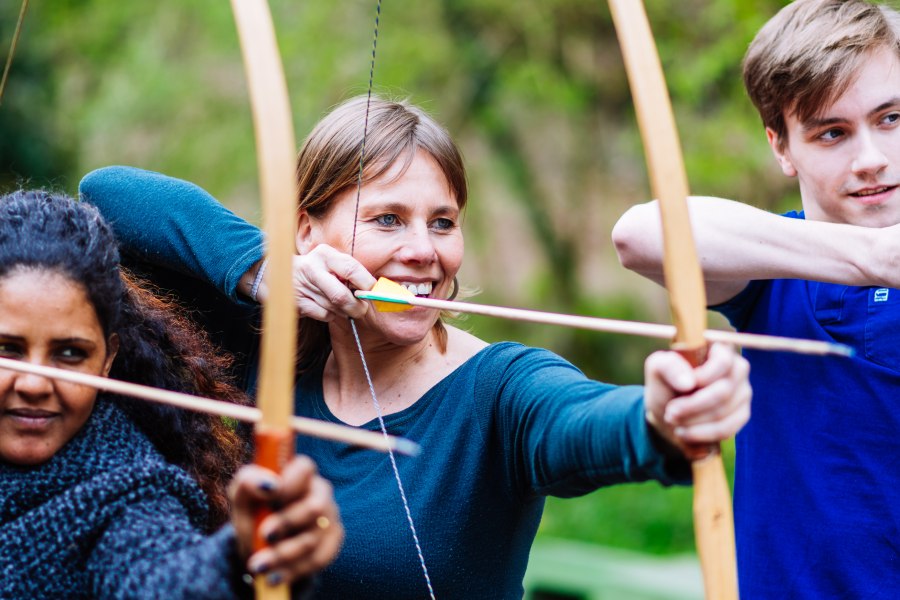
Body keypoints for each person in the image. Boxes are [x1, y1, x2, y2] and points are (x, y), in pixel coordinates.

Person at [79, 95, 751, 600]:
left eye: (443, 222)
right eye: (387, 219)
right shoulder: (263, 346)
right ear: (308, 231)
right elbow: (107, 196)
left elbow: (581, 421)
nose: (423, 251)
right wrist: (264, 267)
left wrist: (663, 412)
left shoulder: (500, 389)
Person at [612, 0, 900, 597]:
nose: (871, 159)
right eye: (832, 132)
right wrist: (873, 256)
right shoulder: (773, 270)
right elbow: (639, 235)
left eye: (892, 118)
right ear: (781, 147)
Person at [0, 190, 343, 599]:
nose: (34, 384)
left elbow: (165, 581)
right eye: (8, 349)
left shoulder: (126, 490)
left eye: (70, 353)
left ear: (107, 359)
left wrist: (240, 559)